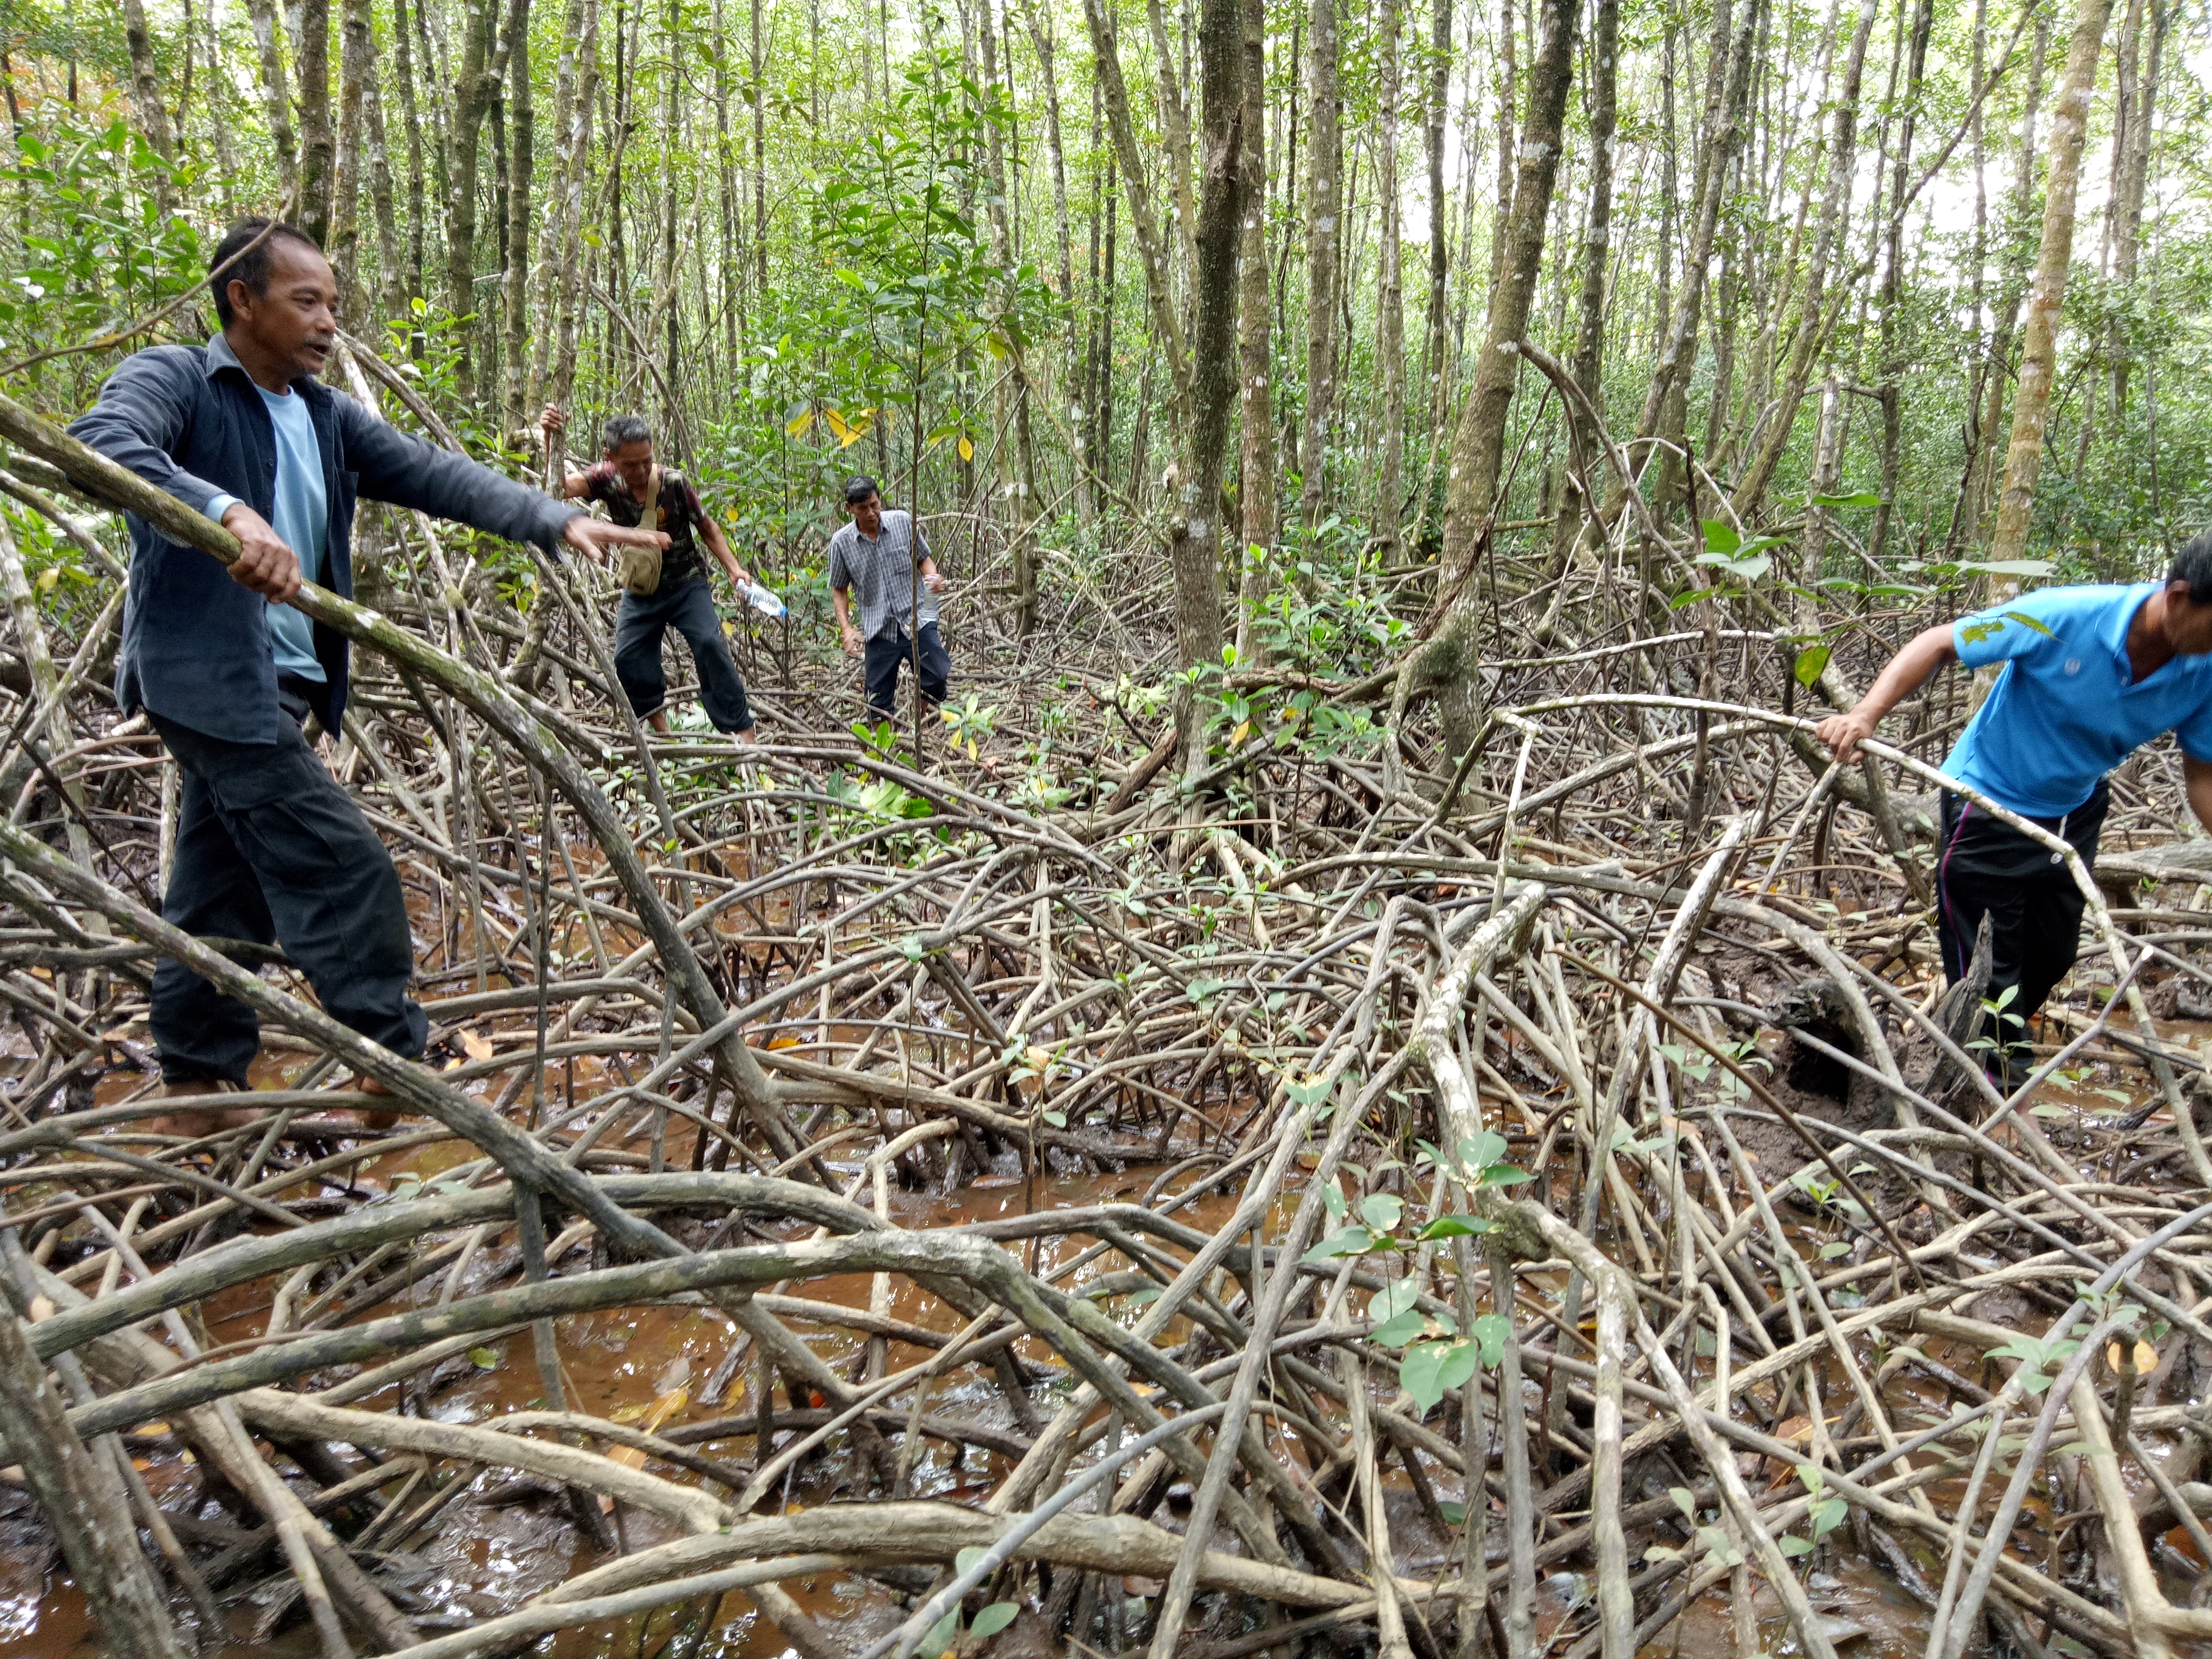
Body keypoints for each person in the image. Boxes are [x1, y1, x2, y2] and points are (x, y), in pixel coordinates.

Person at [71, 217, 665, 1136]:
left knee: (218, 887)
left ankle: (193, 1087)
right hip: (211, 677)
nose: (327, 323)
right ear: (243, 299)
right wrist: (226, 511)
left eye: (333, 305)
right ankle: (390, 1067)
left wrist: (554, 520)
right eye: (306, 302)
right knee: (345, 869)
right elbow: (104, 444)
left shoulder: (322, 413)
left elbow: (434, 474)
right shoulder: (178, 377)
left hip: (288, 682)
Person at [1819, 540, 2212, 1068]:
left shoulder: (2202, 671)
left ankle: (1965, 1047)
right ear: (2181, 596)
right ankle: (2000, 1098)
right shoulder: (2061, 617)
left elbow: (2201, 776)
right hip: (1986, 803)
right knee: (1987, 967)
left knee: (2052, 956)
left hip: (2074, 810)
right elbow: (1940, 642)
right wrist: (1864, 715)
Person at [540, 407, 761, 740]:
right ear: (610, 457)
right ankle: (664, 737)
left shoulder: (674, 483)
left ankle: (744, 735)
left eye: (647, 460)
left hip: (686, 583)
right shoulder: (605, 478)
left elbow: (707, 527)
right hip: (641, 589)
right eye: (631, 464)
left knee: (709, 644)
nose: (642, 470)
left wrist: (735, 569)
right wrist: (550, 440)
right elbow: (559, 488)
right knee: (628, 657)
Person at [827, 475, 948, 722]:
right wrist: (847, 629)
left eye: (875, 505)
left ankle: (921, 718)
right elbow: (839, 589)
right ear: (850, 509)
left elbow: (923, 558)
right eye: (863, 509)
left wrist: (933, 577)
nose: (872, 513)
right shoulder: (841, 543)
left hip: (917, 618)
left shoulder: (903, 522)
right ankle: (885, 750)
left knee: (936, 677)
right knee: (877, 703)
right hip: (879, 628)